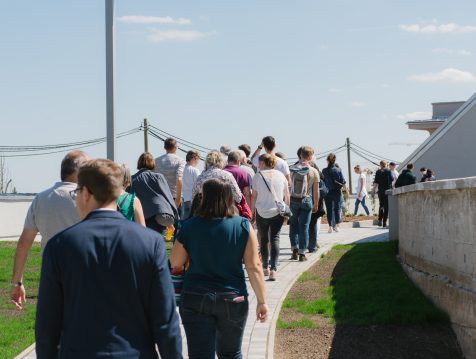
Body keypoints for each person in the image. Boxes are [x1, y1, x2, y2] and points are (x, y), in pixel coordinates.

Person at [35, 159, 182, 359]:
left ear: (85, 193)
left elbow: (47, 324)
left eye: (76, 193)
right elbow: (165, 319)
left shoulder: (60, 246)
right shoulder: (151, 243)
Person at [169, 178, 268, 359]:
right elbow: (254, 267)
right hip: (233, 297)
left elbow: (175, 262)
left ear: (204, 198)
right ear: (229, 198)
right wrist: (262, 301)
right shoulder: (243, 226)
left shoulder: (189, 226)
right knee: (231, 353)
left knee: (199, 355)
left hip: (195, 297)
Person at [10, 150, 89, 310]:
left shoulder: (41, 198)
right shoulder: (87, 198)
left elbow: (24, 244)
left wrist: (17, 282)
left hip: (50, 277)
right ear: (79, 171)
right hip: (84, 276)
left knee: (52, 330)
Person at [250, 153, 289, 280]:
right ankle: (273, 270)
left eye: (260, 162)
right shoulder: (281, 175)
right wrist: (286, 212)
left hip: (261, 211)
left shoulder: (257, 176)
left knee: (264, 240)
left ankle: (265, 267)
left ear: (263, 163)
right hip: (277, 211)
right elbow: (287, 196)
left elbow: (253, 196)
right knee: (275, 239)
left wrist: (252, 213)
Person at [131, 152, 178, 233]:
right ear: (152, 163)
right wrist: (173, 215)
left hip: (140, 215)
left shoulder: (132, 179)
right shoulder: (158, 177)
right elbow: (167, 196)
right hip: (157, 215)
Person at [288, 146, 320, 262]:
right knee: (304, 227)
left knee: (293, 225)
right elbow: (316, 190)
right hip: (307, 200)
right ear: (311, 156)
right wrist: (316, 204)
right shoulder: (313, 171)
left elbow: (287, 188)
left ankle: (294, 250)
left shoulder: (291, 169)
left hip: (293, 200)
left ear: (300, 155)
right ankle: (302, 254)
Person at [155, 137, 186, 216]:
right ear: (176, 147)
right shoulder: (180, 161)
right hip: (175, 197)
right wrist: (178, 199)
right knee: (178, 226)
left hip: (161, 197)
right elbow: (179, 179)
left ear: (164, 147)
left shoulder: (156, 161)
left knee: (162, 226)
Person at [322, 153, 346, 233]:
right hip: (337, 192)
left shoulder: (324, 170)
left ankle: (330, 227)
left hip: (328, 192)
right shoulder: (338, 170)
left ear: (327, 160)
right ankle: (336, 226)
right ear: (335, 160)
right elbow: (343, 181)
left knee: (329, 210)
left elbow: (323, 181)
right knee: (337, 209)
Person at [371, 160, 393, 227]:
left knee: (381, 205)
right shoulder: (388, 171)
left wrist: (373, 191)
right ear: (386, 164)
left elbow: (375, 182)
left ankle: (380, 220)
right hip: (387, 191)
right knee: (386, 206)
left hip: (380, 191)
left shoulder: (378, 172)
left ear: (380, 165)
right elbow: (391, 180)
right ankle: (384, 222)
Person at [182, 150, 201, 219]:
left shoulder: (181, 169)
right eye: (197, 160)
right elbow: (198, 185)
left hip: (183, 198)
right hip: (193, 199)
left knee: (184, 219)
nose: (197, 162)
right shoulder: (195, 170)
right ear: (193, 159)